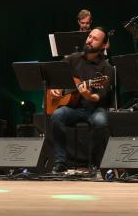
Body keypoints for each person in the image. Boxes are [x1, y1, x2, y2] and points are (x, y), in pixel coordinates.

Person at [49, 27, 114, 175]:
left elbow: (99, 96)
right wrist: (56, 87)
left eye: (95, 39)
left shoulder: (106, 69)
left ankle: (93, 164)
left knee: (101, 122)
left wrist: (88, 95)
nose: (90, 40)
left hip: (95, 108)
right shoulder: (73, 58)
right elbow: (55, 72)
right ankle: (60, 162)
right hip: (74, 108)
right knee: (57, 115)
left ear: (103, 45)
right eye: (90, 37)